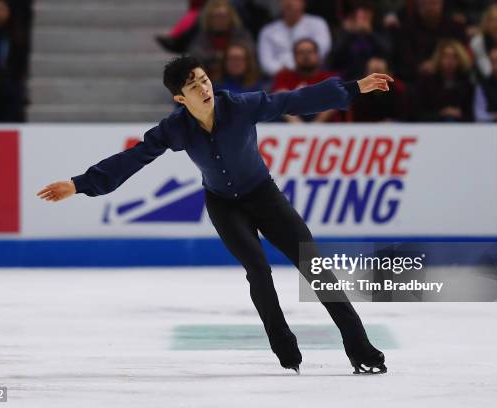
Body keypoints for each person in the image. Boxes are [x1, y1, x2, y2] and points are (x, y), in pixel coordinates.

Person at [37, 55, 393, 375]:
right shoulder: (174, 129)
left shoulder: (240, 106)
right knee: (258, 269)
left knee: (314, 266)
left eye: (204, 80)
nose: (203, 88)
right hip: (224, 206)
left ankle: (360, 349)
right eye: (193, 86)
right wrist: (79, 183)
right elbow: (135, 157)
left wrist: (352, 88)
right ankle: (283, 344)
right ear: (180, 99)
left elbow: (292, 100)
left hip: (264, 196)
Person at [272, 38, 341, 123]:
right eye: (301, 53)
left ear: (318, 55)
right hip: (291, 127)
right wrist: (297, 125)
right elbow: (279, 98)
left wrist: (315, 125)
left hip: (328, 130)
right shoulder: (283, 76)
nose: (306, 56)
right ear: (294, 57)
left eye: (310, 52)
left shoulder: (331, 77)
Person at [257, 0, 331, 76]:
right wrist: (288, 72)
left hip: (312, 73)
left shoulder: (318, 23)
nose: (289, 3)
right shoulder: (267, 31)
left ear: (303, 3)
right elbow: (266, 63)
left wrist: (297, 67)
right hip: (279, 76)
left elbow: (321, 52)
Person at [188, 0, 253, 81]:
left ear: (231, 16)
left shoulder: (241, 34)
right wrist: (221, 57)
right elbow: (197, 57)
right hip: (210, 79)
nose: (220, 20)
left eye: (223, 16)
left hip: (241, 79)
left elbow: (248, 55)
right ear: (209, 18)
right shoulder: (201, 36)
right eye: (216, 16)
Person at [414, 40, 473, 122]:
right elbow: (418, 113)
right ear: (439, 58)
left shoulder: (467, 84)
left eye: (455, 57)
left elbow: (472, 115)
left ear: (460, 59)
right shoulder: (426, 82)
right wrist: (441, 114)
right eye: (446, 56)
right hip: (431, 126)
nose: (450, 61)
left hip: (460, 127)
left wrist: (459, 114)